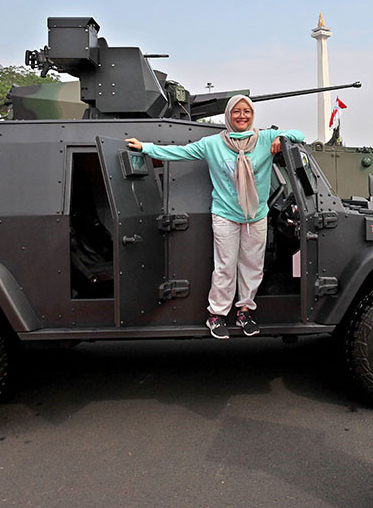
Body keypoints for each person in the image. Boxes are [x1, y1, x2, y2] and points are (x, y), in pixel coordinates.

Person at [125, 95, 305, 339]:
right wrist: (146, 148)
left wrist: (282, 138)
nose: (242, 116)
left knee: (253, 266)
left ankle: (244, 311)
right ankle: (217, 315)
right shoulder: (212, 144)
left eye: (247, 112)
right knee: (225, 267)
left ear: (252, 115)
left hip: (256, 215)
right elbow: (179, 152)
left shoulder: (264, 138)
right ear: (228, 116)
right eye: (236, 112)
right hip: (226, 215)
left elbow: (299, 134)